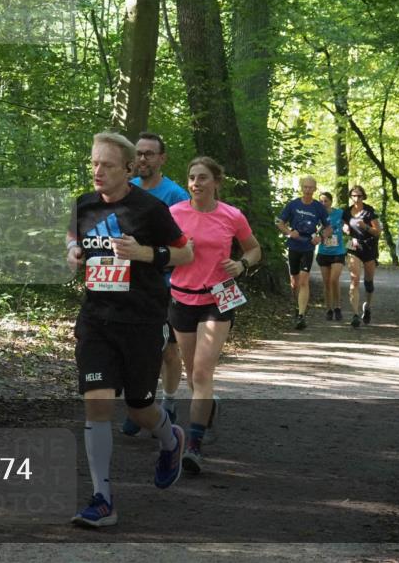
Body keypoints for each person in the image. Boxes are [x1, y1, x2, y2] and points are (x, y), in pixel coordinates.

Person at [67, 132, 194, 527]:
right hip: (96, 318)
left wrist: (145, 253)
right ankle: (102, 499)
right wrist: (71, 252)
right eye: (93, 163)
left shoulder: (151, 209)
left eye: (106, 164)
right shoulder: (83, 205)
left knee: (139, 408)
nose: (97, 171)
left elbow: (185, 252)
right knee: (97, 400)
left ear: (128, 168)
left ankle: (170, 440)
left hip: (141, 319)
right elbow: (74, 239)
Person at [169, 157, 261, 475]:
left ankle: (193, 446)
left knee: (202, 373)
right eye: (192, 177)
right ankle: (208, 407)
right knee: (193, 375)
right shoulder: (174, 213)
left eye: (203, 177)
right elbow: (162, 253)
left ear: (216, 182)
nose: (196, 183)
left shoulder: (231, 216)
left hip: (219, 298)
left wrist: (242, 264)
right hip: (181, 298)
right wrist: (178, 253)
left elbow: (253, 249)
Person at [120, 132, 190, 437]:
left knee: (166, 351)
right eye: (139, 154)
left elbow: (185, 248)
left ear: (162, 158)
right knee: (130, 347)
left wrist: (154, 257)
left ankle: (169, 401)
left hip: (164, 285)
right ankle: (140, 406)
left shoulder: (175, 195)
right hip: (125, 284)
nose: (142, 159)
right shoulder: (126, 189)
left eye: (149, 154)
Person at [275, 176, 329, 330]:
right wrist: (289, 232)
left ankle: (301, 315)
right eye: (305, 187)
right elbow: (278, 222)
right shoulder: (293, 205)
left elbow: (328, 227)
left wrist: (320, 236)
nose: (308, 190)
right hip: (293, 246)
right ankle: (297, 306)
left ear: (315, 189)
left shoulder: (318, 207)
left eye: (310, 188)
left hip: (308, 247)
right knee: (295, 283)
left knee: (304, 280)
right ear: (301, 187)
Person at [341, 185, 381, 327]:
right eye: (354, 196)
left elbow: (377, 232)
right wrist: (344, 227)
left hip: (369, 247)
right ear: (351, 197)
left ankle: (367, 307)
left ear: (364, 196)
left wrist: (366, 227)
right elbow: (343, 223)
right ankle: (355, 314)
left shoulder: (369, 211)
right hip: (353, 247)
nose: (356, 198)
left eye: (359, 196)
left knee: (368, 282)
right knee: (354, 280)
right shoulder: (347, 211)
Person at [316, 191, 346, 321]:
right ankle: (329, 309)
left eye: (325, 201)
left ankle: (338, 307)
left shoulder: (339, 213)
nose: (323, 204)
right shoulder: (317, 215)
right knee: (327, 283)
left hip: (338, 252)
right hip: (324, 252)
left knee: (334, 280)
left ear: (331, 202)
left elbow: (349, 224)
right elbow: (312, 230)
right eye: (321, 202)